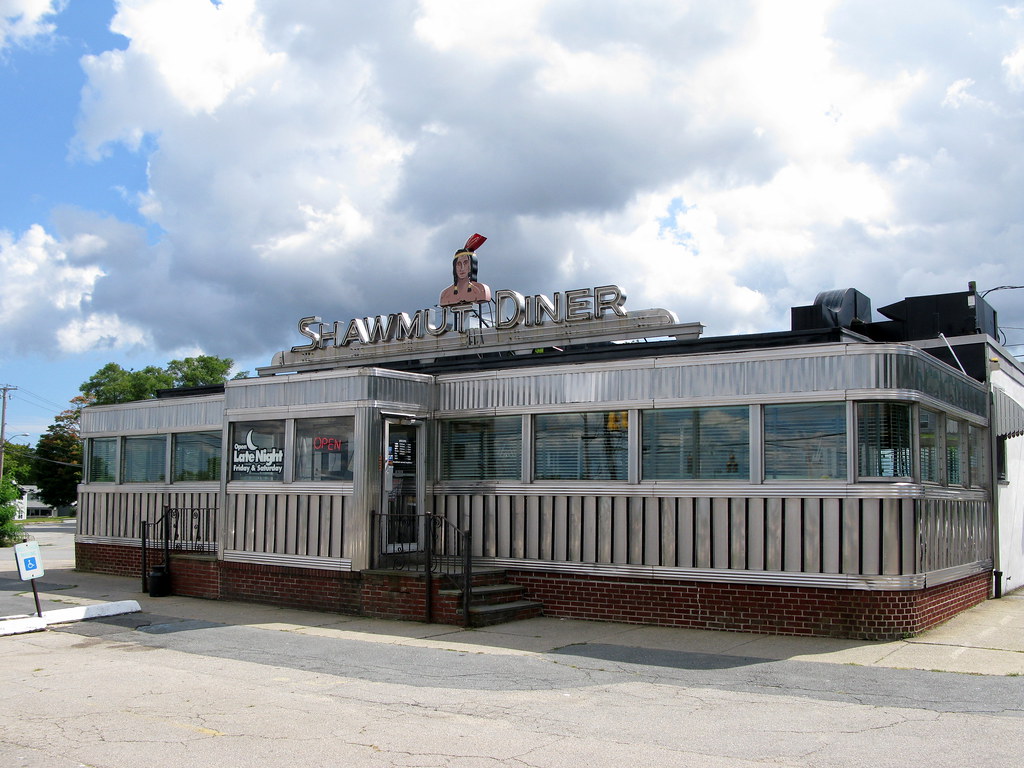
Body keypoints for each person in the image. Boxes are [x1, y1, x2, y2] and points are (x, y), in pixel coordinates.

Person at [439, 233, 491, 306]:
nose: (462, 268)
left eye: (465, 263)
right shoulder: (445, 294)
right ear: (454, 267)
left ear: (471, 266)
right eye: (459, 264)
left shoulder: (480, 290)